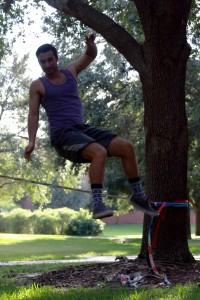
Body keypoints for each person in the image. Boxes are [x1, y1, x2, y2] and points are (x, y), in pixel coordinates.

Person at [24, 34, 158, 219]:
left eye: (49, 60)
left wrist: (90, 45)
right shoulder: (38, 85)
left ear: (56, 58)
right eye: (42, 62)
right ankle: (97, 204)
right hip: (62, 135)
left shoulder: (70, 71)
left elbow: (90, 55)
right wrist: (31, 141)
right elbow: (33, 114)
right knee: (99, 152)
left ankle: (138, 195)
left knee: (127, 147)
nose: (46, 65)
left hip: (81, 129)